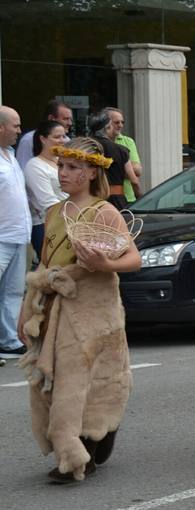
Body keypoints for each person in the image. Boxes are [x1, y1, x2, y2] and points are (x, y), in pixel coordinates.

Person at [18, 138, 140, 481]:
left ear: (89, 173)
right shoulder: (55, 213)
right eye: (60, 166)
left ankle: (82, 447)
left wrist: (104, 263)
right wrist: (26, 314)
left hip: (95, 310)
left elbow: (133, 259)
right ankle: (82, 442)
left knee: (92, 380)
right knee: (59, 380)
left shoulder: (104, 211)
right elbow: (43, 266)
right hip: (56, 307)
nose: (63, 173)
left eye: (71, 167)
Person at [0, 105, 29, 360]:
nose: (19, 131)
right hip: (1, 236)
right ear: (0, 127)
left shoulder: (10, 153)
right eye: (16, 125)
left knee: (13, 292)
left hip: (19, 234)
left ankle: (8, 340)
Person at [23, 120, 67, 254]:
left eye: (64, 136)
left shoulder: (63, 162)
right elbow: (48, 204)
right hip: (47, 227)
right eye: (57, 137)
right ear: (43, 139)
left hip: (69, 223)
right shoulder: (34, 165)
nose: (62, 140)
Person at [87, 110, 132, 210]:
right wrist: (140, 199)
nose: (120, 125)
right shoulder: (121, 150)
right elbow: (134, 180)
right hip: (116, 200)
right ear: (108, 127)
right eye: (115, 123)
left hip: (90, 200)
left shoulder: (84, 148)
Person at [16, 99, 73, 169]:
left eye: (70, 119)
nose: (70, 123)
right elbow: (23, 168)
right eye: (65, 119)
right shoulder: (28, 140)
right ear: (51, 118)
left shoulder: (67, 141)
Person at [104, 108, 141, 203]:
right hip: (103, 198)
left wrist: (109, 169)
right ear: (106, 123)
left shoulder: (128, 141)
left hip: (128, 198)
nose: (120, 125)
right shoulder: (97, 143)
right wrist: (127, 168)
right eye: (116, 122)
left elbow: (138, 170)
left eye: (122, 122)